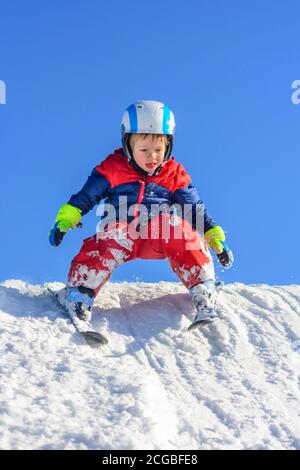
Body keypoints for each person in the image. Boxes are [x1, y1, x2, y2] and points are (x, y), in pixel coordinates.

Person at [49, 100, 233, 328]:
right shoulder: (113, 168)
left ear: (169, 147)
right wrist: (66, 220)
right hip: (122, 232)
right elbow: (86, 196)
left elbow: (194, 209)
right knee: (111, 236)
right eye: (144, 150)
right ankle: (78, 293)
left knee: (176, 226)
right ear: (128, 145)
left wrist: (214, 236)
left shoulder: (173, 174)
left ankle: (203, 288)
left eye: (158, 150)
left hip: (158, 236)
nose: (152, 157)